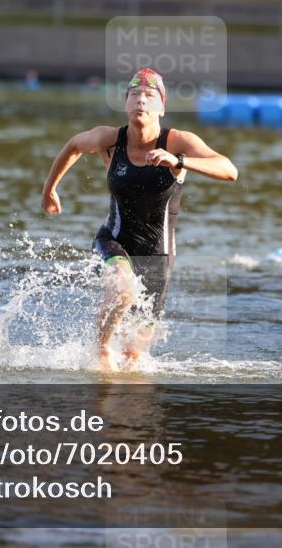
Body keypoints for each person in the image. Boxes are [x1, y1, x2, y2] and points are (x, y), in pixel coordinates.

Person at [41, 68, 238, 371]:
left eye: (149, 96)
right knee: (123, 290)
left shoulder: (177, 142)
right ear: (125, 103)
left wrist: (179, 161)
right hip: (113, 239)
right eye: (134, 95)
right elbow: (73, 146)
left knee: (135, 359)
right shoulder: (110, 139)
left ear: (162, 107)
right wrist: (49, 190)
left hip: (159, 257)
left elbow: (229, 170)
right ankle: (101, 353)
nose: (140, 101)